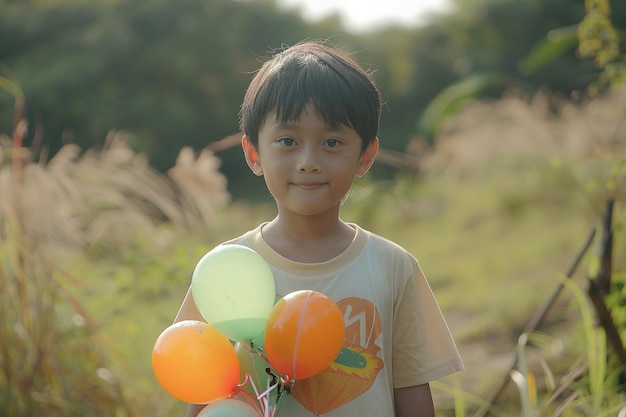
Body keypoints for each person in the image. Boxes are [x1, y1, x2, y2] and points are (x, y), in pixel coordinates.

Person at [174, 40, 464, 417]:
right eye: (288, 141)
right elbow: (200, 390)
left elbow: (411, 387)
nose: (309, 162)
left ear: (365, 156)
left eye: (331, 142)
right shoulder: (225, 272)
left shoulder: (393, 267)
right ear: (254, 154)